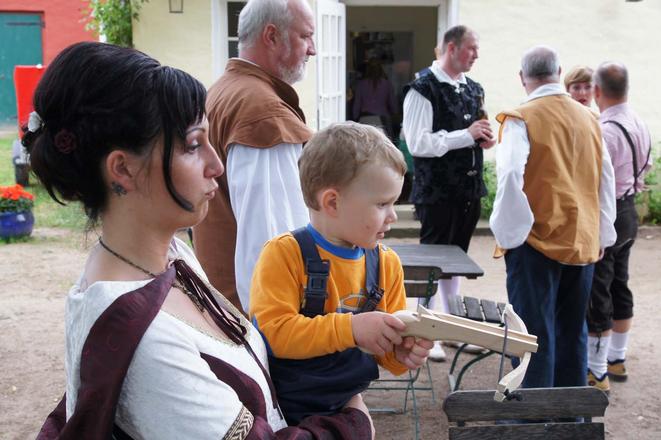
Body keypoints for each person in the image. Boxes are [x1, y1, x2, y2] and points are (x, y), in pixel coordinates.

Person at [28, 42, 372, 439]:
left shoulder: (171, 255)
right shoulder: (143, 337)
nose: (217, 165)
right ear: (122, 169)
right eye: (194, 145)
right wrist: (354, 419)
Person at [250, 122, 433, 425]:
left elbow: (385, 350)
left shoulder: (386, 265)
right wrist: (352, 328)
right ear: (332, 202)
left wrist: (400, 353)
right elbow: (275, 334)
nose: (392, 215)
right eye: (382, 204)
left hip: (344, 402)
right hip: (280, 409)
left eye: (394, 203)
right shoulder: (284, 254)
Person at [490, 45, 616, 389]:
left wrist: (510, 234)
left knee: (532, 336)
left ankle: (535, 412)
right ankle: (570, 413)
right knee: (573, 331)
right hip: (582, 238)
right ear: (559, 73)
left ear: (522, 78)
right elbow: (605, 178)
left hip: (534, 240)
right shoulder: (590, 118)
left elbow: (511, 174)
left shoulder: (520, 118)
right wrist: (603, 234)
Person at [193, 0, 316, 313]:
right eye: (305, 36)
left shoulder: (224, 91)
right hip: (252, 315)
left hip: (225, 303)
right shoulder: (262, 112)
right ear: (272, 36)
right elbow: (272, 240)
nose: (313, 50)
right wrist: (276, 326)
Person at [402, 25, 495, 360]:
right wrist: (466, 135)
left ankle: (452, 329)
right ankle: (425, 333)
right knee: (432, 263)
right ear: (452, 48)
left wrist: (482, 138)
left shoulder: (473, 88)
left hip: (468, 189)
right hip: (436, 192)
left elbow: (473, 131)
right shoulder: (422, 88)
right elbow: (418, 143)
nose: (477, 54)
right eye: (472, 48)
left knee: (455, 262)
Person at [586, 62, 653, 393]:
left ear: (597, 91)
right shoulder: (639, 122)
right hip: (629, 210)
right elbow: (647, 167)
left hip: (608, 212)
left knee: (599, 288)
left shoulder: (605, 130)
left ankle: (597, 371)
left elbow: (594, 179)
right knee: (619, 284)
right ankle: (617, 358)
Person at [352, 58, 397, 138]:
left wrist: (355, 118)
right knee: (385, 143)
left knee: (364, 143)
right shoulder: (387, 84)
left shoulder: (361, 84)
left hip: (365, 119)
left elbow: (357, 105)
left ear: (367, 69)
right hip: (383, 119)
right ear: (381, 68)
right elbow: (393, 105)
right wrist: (395, 113)